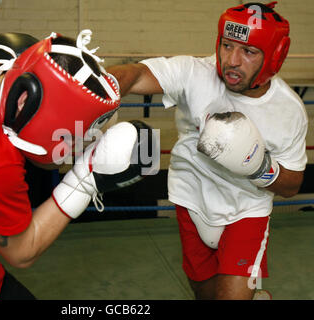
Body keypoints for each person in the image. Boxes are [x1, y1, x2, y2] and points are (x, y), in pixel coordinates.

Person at [0, 30, 157, 299]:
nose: (69, 149)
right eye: (67, 137)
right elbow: (22, 251)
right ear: (27, 101)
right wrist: (85, 179)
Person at [106, 2, 308, 300]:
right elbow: (135, 75)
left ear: (274, 57)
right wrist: (92, 85)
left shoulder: (289, 111)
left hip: (245, 211)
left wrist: (258, 167)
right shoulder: (195, 73)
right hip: (191, 199)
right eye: (227, 46)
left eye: (248, 52)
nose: (232, 61)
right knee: (205, 295)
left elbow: (292, 184)